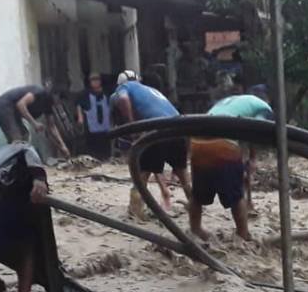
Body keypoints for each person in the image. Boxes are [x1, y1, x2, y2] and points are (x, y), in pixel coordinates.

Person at [188, 87, 273, 240]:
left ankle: (195, 229)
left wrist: (250, 157)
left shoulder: (228, 102)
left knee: (198, 195)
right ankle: (243, 233)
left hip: (197, 144)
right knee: (236, 195)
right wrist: (252, 158)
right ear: (267, 99)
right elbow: (257, 127)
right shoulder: (263, 106)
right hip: (223, 145)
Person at [111, 79, 192, 217]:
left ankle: (135, 210)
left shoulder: (124, 88)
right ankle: (194, 206)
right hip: (179, 127)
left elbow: (123, 99)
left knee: (142, 174)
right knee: (183, 175)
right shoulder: (150, 90)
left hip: (157, 128)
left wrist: (132, 126)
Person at [0, 84, 70, 156]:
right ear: (55, 95)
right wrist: (34, 123)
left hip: (14, 112)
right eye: (59, 101)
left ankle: (20, 163)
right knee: (17, 139)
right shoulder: (40, 93)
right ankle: (12, 165)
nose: (59, 104)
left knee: (24, 135)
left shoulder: (49, 105)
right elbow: (21, 104)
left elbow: (52, 127)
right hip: (4, 106)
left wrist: (63, 146)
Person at [74, 72, 112, 159]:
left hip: (106, 125)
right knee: (92, 146)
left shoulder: (107, 92)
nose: (95, 82)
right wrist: (80, 118)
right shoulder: (84, 94)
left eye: (97, 79)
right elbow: (79, 105)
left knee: (106, 145)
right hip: (92, 125)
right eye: (93, 80)